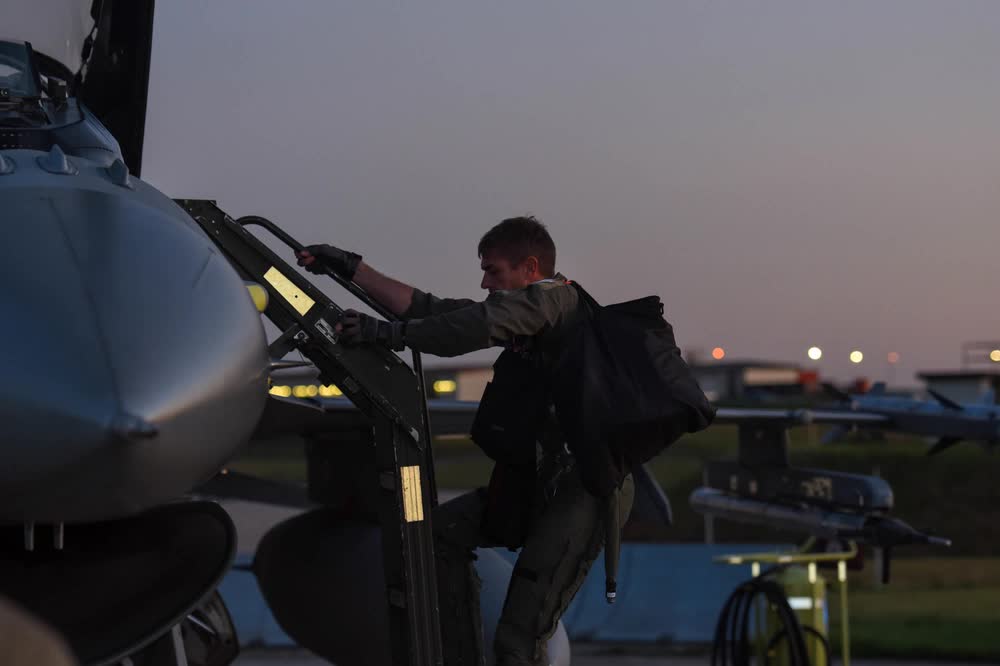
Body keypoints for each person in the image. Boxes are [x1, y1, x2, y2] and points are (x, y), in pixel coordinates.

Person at [298, 216, 634, 666]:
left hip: (583, 491)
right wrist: (351, 268)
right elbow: (433, 310)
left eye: (493, 271)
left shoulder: (556, 299)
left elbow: (467, 329)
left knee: (519, 641)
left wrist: (389, 335)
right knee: (437, 539)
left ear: (530, 268)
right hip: (538, 482)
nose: (484, 282)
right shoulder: (533, 318)